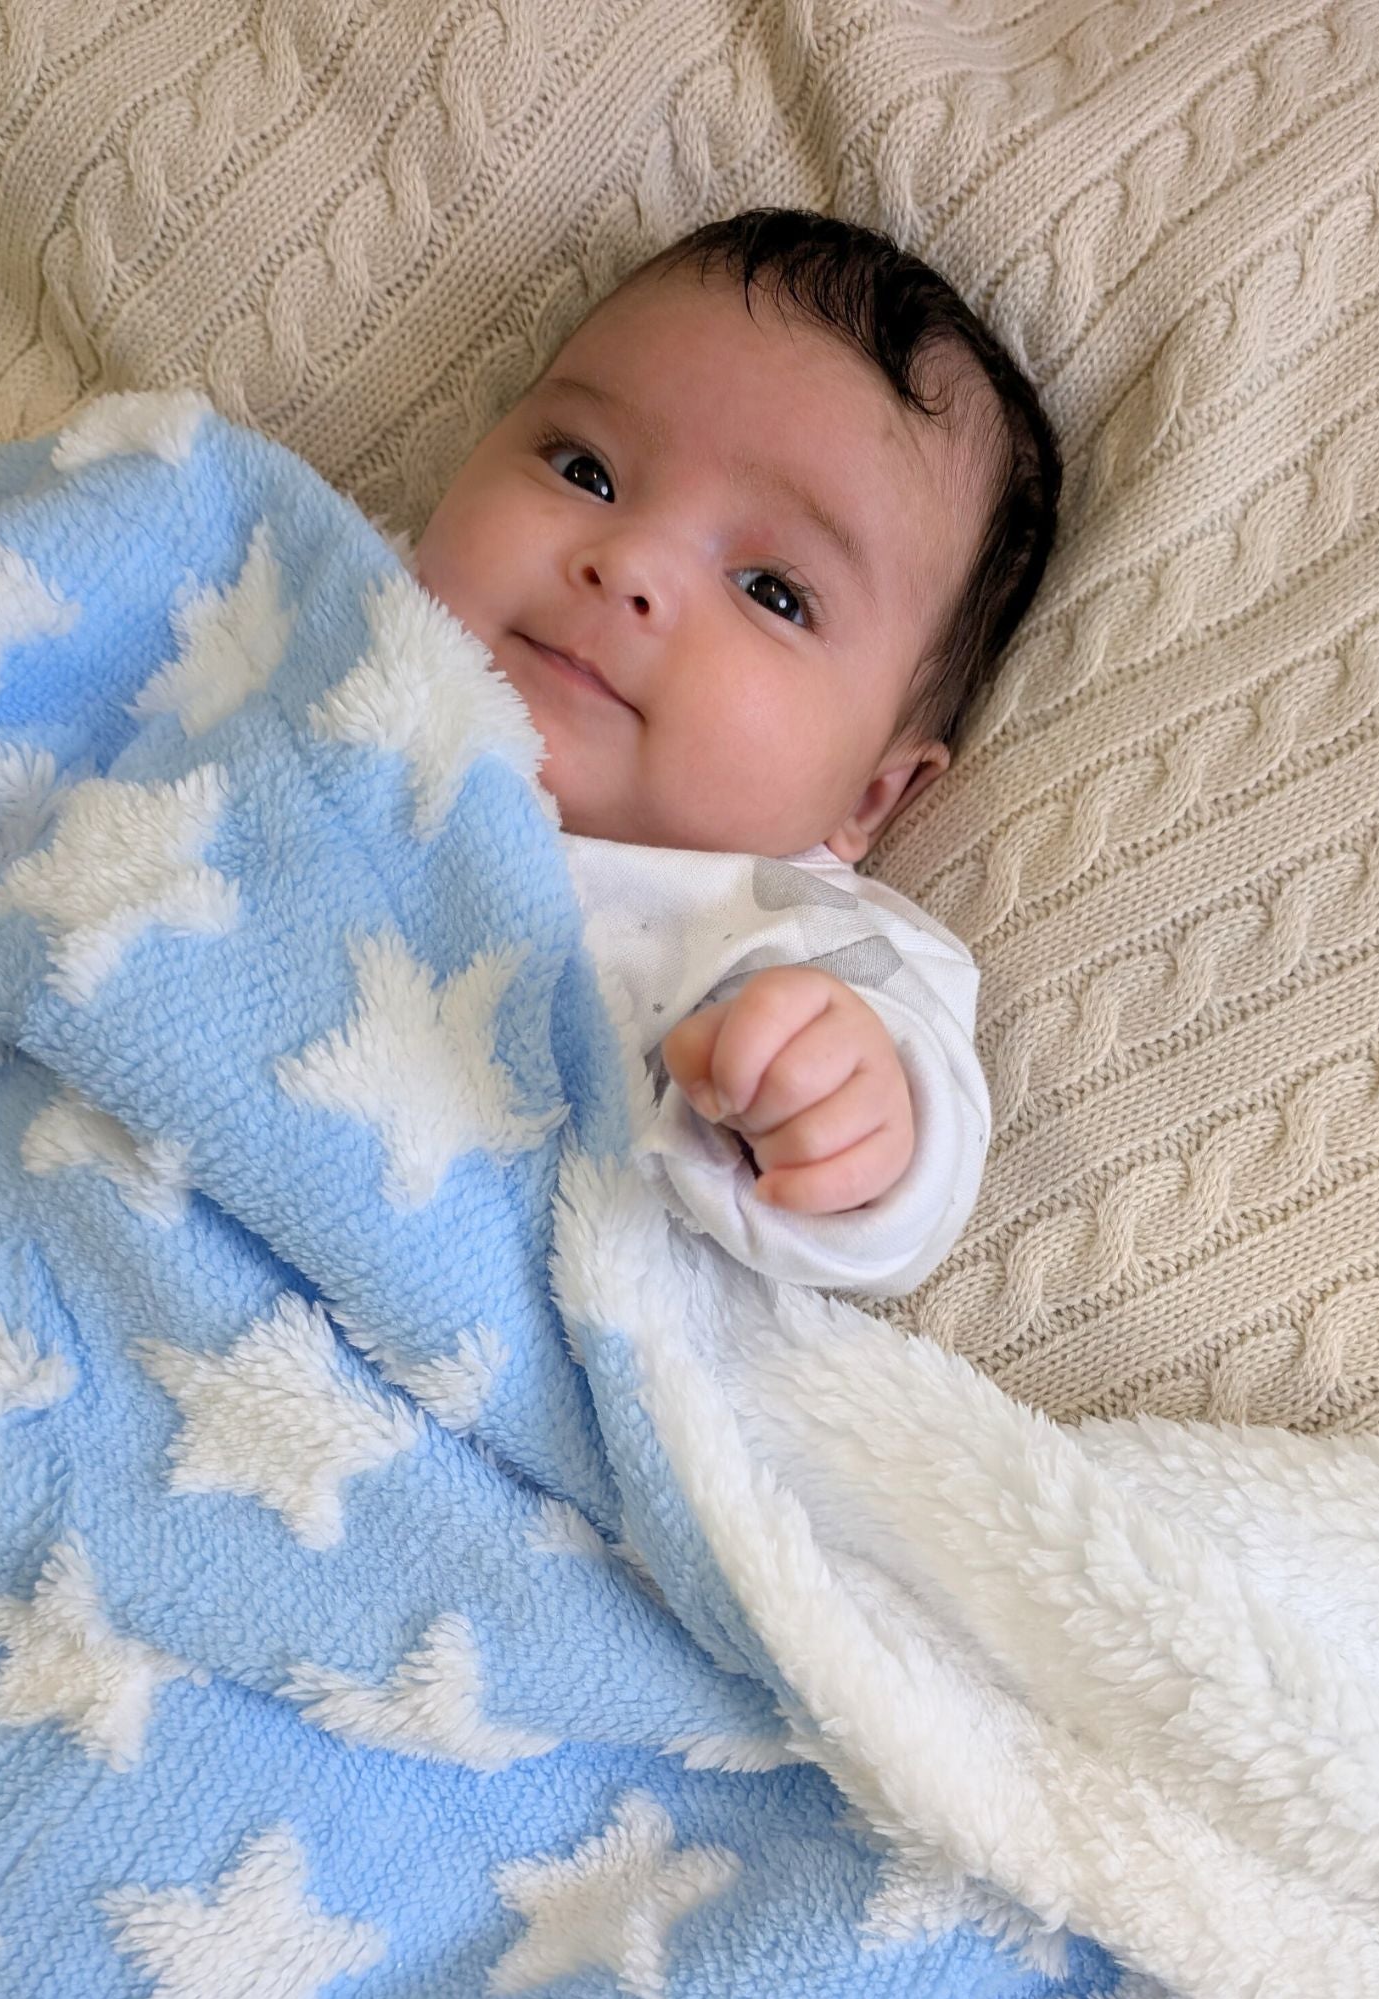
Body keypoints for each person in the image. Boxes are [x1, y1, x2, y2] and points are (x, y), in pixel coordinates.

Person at [412, 208, 1060, 1294]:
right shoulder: (317, 614)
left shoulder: (785, 938)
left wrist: (839, 1112)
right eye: (585, 471)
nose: (630, 566)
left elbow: (906, 1171)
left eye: (770, 591)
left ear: (869, 792)